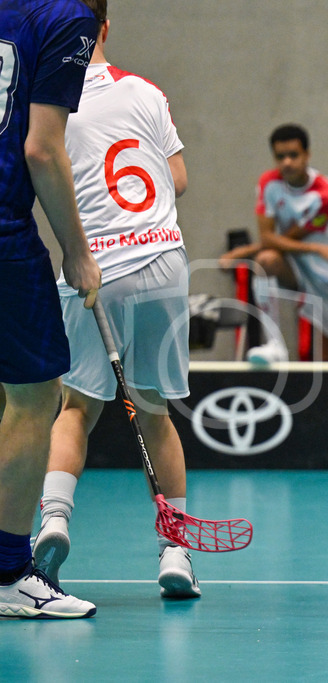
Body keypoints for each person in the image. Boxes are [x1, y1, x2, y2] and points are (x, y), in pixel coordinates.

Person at [31, 0, 199, 599]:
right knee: (155, 411)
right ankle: (176, 552)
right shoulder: (146, 92)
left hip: (94, 266)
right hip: (163, 263)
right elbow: (175, 181)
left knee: (75, 408)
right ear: (105, 27)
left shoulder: (44, 99)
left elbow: (37, 170)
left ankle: (53, 520)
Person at [0, 0, 102, 618]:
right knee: (36, 398)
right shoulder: (66, 15)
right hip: (3, 234)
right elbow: (42, 149)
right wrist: (77, 251)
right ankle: (10, 575)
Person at [219, 124, 328, 363]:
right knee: (266, 261)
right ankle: (274, 344)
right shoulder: (268, 184)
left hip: (327, 271)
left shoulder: (327, 196)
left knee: (325, 353)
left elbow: (291, 236)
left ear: (307, 155)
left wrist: (243, 251)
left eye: (294, 155)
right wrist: (314, 248)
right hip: (293, 263)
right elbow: (269, 238)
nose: (287, 163)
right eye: (280, 156)